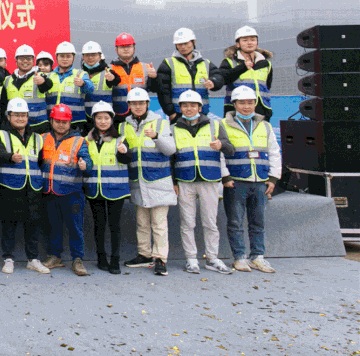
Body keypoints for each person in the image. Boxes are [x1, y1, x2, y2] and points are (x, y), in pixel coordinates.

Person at [171, 90, 235, 275]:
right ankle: (191, 259)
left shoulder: (215, 125)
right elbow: (171, 159)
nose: (189, 109)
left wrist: (221, 145)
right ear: (180, 108)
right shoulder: (173, 128)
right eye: (185, 106)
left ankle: (212, 258)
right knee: (187, 222)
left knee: (210, 222)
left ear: (200, 107)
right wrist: (174, 181)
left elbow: (231, 149)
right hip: (185, 180)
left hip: (210, 179)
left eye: (193, 105)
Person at [220, 86, 282, 273]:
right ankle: (239, 258)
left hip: (260, 181)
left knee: (258, 222)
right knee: (235, 222)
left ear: (255, 103)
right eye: (242, 103)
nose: (246, 106)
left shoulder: (265, 125)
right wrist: (225, 176)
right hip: (236, 181)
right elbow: (219, 154)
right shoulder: (222, 125)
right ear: (234, 104)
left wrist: (273, 178)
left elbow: (274, 152)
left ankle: (257, 257)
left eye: (250, 102)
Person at [121, 88, 178, 276]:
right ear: (129, 106)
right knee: (142, 224)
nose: (138, 106)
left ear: (147, 104)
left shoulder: (160, 123)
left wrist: (156, 137)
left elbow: (170, 150)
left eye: (141, 103)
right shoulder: (124, 126)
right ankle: (144, 255)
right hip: (138, 182)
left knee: (159, 225)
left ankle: (160, 259)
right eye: (134, 104)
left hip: (159, 181)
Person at [0, 98, 49, 274]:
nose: (20, 118)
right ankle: (8, 258)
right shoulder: (1, 135)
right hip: (10, 186)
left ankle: (33, 259)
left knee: (33, 224)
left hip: (33, 187)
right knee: (9, 225)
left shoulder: (37, 137)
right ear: (8, 116)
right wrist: (10, 157)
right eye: (16, 115)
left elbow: (41, 161)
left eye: (23, 115)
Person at [39, 104, 93, 276]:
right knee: (53, 227)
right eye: (58, 121)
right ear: (51, 121)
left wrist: (85, 165)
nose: (61, 125)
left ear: (70, 122)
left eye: (64, 122)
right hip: (50, 191)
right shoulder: (43, 138)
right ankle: (55, 256)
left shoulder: (79, 141)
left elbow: (88, 161)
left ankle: (77, 259)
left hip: (72, 192)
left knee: (75, 227)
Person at [83, 102, 132, 275]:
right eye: (99, 118)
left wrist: (124, 152)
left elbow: (128, 159)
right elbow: (85, 161)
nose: (103, 121)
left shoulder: (120, 139)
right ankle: (101, 258)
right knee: (99, 225)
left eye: (106, 118)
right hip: (94, 189)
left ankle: (115, 259)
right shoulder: (87, 140)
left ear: (111, 119)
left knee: (114, 225)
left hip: (116, 189)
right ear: (94, 119)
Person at [156, 27, 224, 121]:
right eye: (179, 44)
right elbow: (163, 91)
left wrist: (213, 82)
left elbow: (219, 76)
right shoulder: (168, 63)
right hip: (178, 115)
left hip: (201, 114)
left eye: (186, 43)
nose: (183, 47)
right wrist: (171, 113)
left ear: (193, 42)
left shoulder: (205, 63)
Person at [219, 25, 274, 120]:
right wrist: (242, 67)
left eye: (253, 40)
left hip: (262, 111)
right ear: (238, 44)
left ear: (257, 42)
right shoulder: (229, 62)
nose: (249, 43)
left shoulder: (266, 64)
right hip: (235, 112)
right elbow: (222, 79)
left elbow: (267, 87)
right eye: (245, 40)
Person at [3, 45, 52, 134]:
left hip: (38, 126)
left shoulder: (40, 76)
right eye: (22, 58)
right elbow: (3, 104)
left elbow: (48, 84)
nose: (25, 61)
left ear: (33, 61)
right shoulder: (7, 80)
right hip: (14, 127)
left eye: (28, 58)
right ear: (16, 60)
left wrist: (43, 81)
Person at [47, 42, 95, 133]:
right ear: (56, 57)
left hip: (75, 122)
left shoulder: (81, 74)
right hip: (54, 122)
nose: (65, 59)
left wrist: (83, 84)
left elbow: (91, 89)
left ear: (73, 58)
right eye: (62, 56)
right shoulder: (49, 76)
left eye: (68, 56)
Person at [109, 33, 157, 120]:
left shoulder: (146, 67)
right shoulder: (110, 69)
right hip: (118, 116)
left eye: (128, 46)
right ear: (116, 50)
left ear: (134, 48)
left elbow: (153, 89)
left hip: (141, 114)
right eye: (122, 47)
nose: (126, 49)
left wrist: (154, 78)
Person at [80, 41, 117, 125]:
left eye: (93, 55)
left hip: (104, 118)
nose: (90, 58)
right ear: (83, 57)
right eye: (87, 55)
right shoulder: (80, 74)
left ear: (100, 56)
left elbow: (116, 80)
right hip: (85, 118)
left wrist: (112, 78)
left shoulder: (108, 72)